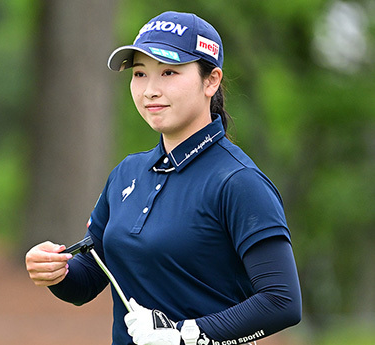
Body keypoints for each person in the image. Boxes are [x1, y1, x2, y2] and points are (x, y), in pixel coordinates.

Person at [25, 10, 302, 345]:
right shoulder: (127, 173)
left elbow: (281, 302)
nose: (150, 90)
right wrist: (58, 271)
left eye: (169, 72)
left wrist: (188, 336)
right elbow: (90, 280)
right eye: (140, 74)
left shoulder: (238, 182)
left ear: (211, 80)